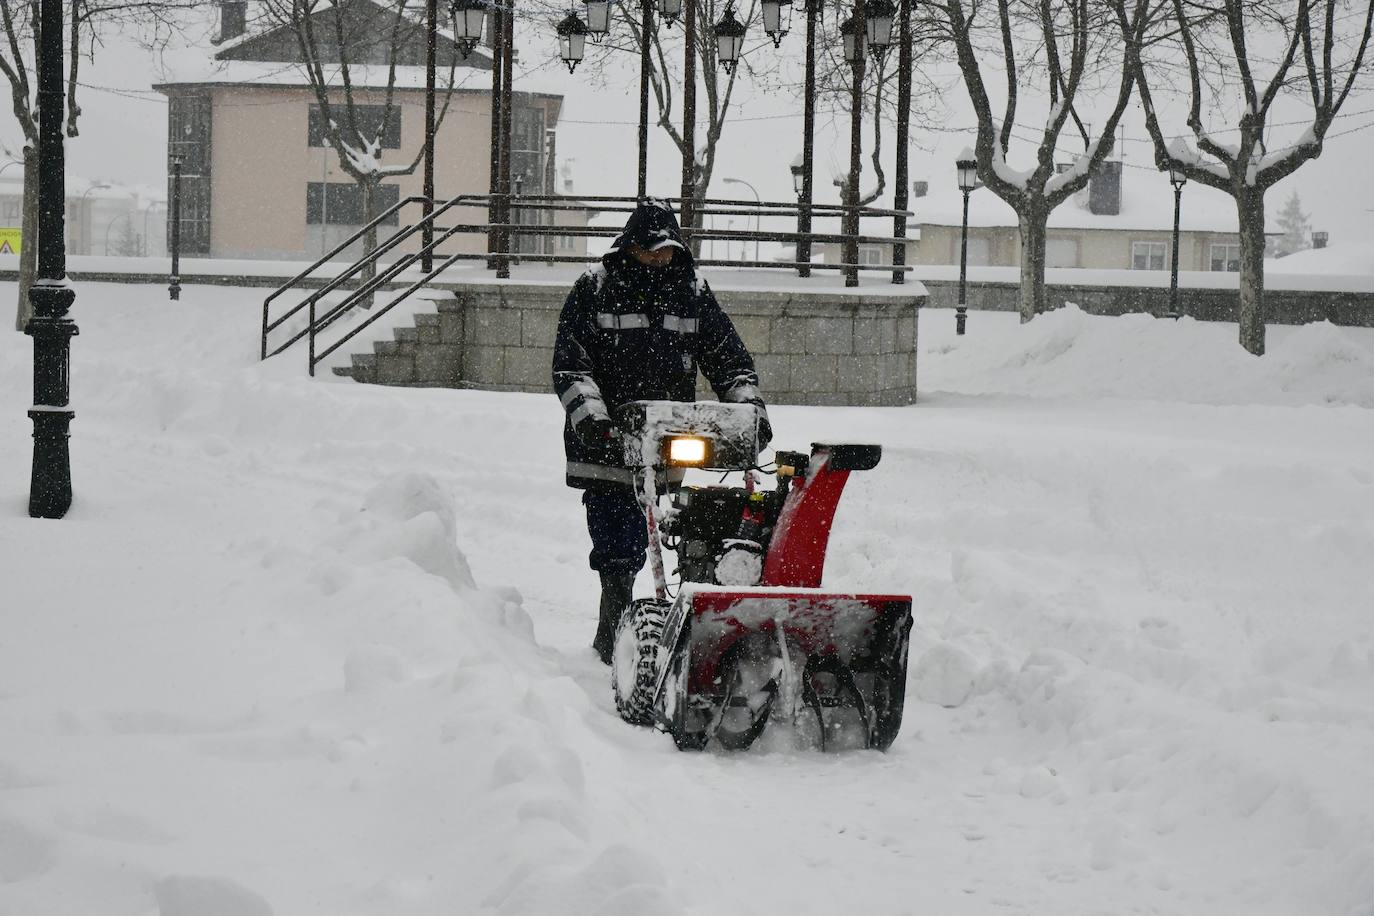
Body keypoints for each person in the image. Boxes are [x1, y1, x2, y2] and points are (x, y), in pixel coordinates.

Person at [551, 199, 771, 664]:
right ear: (628, 247)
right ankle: (612, 632)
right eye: (650, 251)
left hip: (667, 441)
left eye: (666, 251)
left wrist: (750, 409)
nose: (658, 259)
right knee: (618, 542)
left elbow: (729, 360)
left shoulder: (691, 291)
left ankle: (685, 628)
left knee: (685, 525)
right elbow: (570, 369)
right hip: (607, 447)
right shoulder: (595, 289)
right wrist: (596, 423)